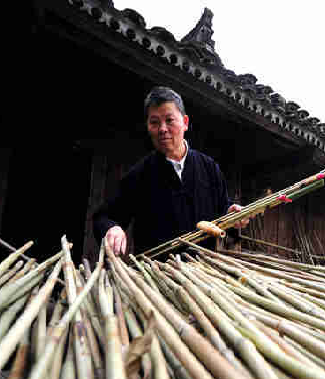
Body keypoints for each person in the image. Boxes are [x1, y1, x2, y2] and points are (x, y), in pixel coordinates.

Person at [93, 86, 248, 256]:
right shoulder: (139, 175)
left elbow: (223, 211)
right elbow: (104, 217)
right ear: (148, 126)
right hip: (154, 270)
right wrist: (112, 228)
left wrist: (232, 217)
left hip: (204, 268)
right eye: (154, 122)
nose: (162, 129)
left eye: (169, 120)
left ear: (185, 123)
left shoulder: (209, 168)